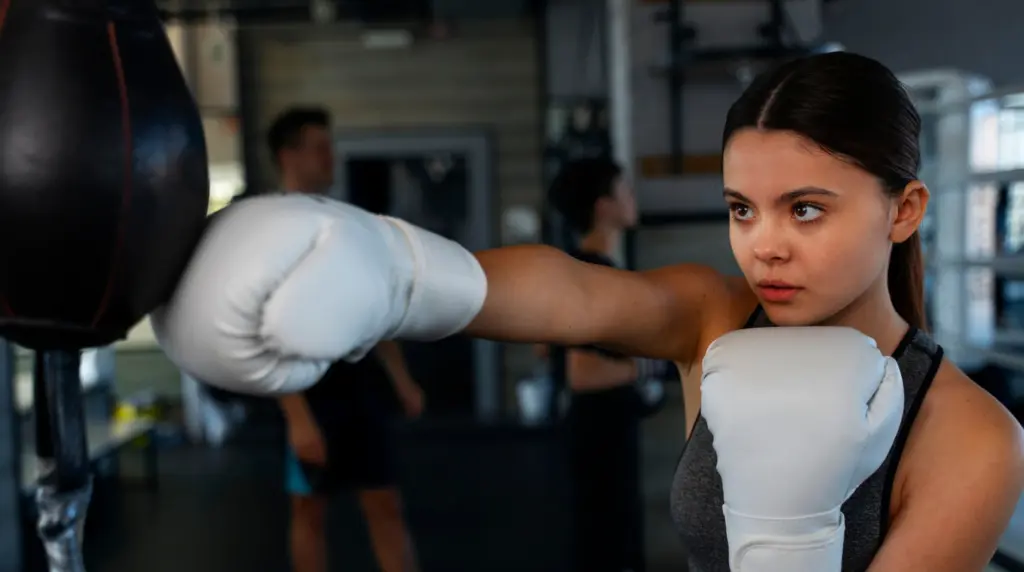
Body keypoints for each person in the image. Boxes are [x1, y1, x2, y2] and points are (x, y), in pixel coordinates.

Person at [155, 53, 1024, 572]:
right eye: (741, 209)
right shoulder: (716, 317)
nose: (763, 247)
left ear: (904, 210)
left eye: (805, 209)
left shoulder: (973, 438)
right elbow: (573, 293)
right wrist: (400, 273)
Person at [267, 107, 425, 572]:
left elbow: (372, 308)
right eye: (319, 147)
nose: (330, 156)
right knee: (309, 511)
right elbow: (266, 334)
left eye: (329, 145)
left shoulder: (346, 223)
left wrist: (402, 379)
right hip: (308, 391)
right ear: (288, 156)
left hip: (361, 389)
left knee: (386, 505)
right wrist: (297, 418)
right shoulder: (271, 230)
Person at [547, 158, 648, 572]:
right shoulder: (592, 272)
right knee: (606, 547)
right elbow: (582, 373)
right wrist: (645, 369)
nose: (633, 197)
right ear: (603, 206)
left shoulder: (582, 269)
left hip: (605, 431)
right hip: (599, 435)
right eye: (624, 189)